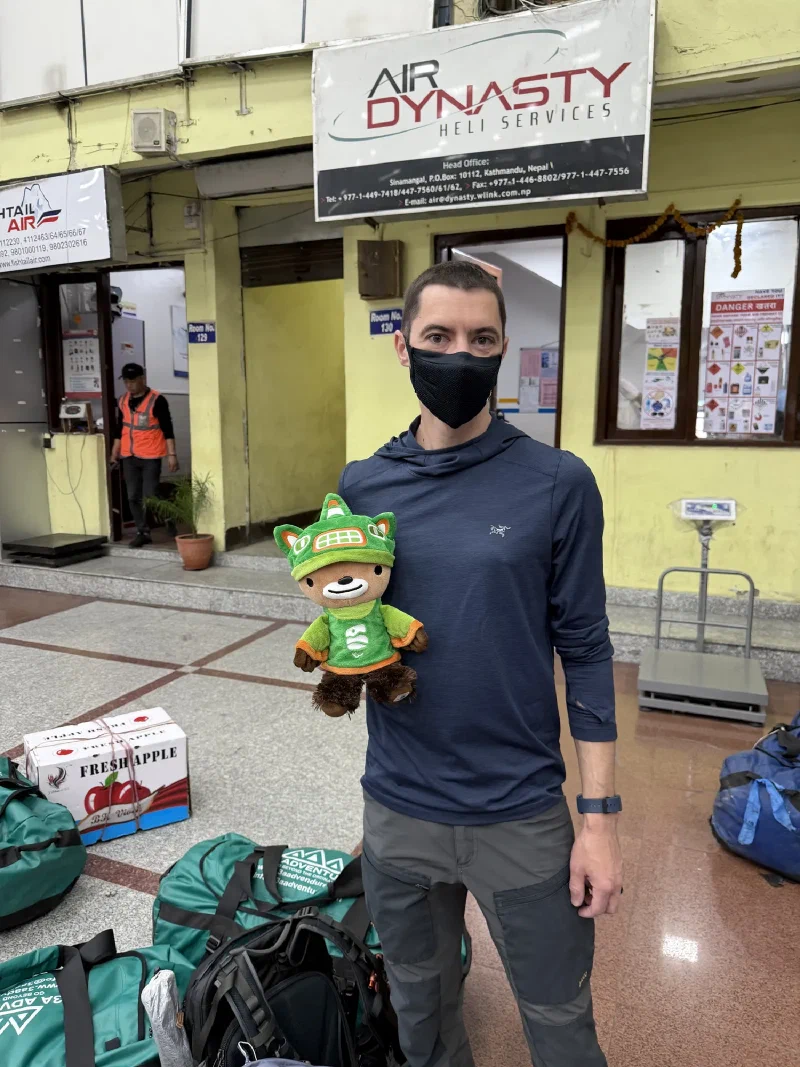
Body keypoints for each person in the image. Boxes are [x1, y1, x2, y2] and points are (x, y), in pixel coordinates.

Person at [340, 260, 622, 1067]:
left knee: (560, 1024)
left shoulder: (557, 482)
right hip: (399, 810)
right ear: (404, 348)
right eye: (439, 336)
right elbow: (356, 623)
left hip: (521, 814)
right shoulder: (363, 487)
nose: (459, 354)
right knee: (420, 1013)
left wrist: (599, 820)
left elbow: (589, 649)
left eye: (481, 338)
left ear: (502, 349)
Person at [110, 362, 179, 547]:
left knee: (151, 494)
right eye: (126, 381)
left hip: (150, 455)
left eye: (132, 381)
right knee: (133, 496)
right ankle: (143, 531)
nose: (129, 385)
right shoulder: (123, 400)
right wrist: (114, 451)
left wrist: (172, 454)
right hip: (129, 455)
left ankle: (168, 516)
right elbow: (120, 428)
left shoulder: (157, 400)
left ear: (142, 379)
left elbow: (167, 429)